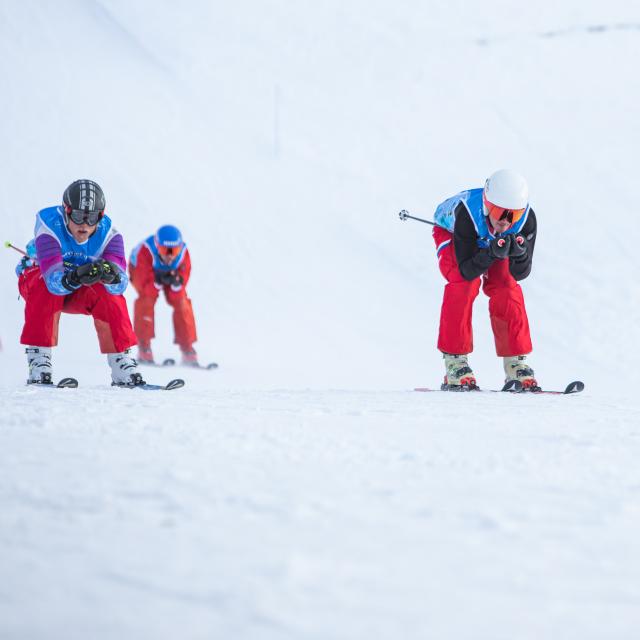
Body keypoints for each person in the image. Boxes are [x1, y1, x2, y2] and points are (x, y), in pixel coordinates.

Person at [17, 179, 144, 386]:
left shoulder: (110, 235)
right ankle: (39, 362)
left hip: (76, 291)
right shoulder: (49, 225)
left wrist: (110, 275)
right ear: (66, 211)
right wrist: (75, 276)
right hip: (42, 283)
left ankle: (121, 361)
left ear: (100, 217)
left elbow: (120, 285)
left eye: (92, 217)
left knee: (107, 292)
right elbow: (52, 283)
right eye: (77, 216)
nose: (84, 224)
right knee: (43, 284)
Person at [432, 169, 538, 390]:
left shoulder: (526, 221)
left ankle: (515, 364)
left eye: (514, 215)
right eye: (500, 213)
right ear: (487, 205)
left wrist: (520, 254)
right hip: (453, 234)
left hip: (489, 245)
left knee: (506, 285)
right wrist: (490, 253)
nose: (506, 222)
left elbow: (521, 273)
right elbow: (466, 270)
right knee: (463, 285)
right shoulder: (467, 214)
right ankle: (455, 361)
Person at [128, 225, 199, 366]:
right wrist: (157, 281)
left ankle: (187, 348)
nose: (170, 255)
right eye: (165, 250)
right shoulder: (145, 252)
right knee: (145, 301)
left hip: (166, 274)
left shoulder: (184, 255)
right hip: (143, 272)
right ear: (157, 246)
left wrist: (176, 283)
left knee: (182, 302)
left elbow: (181, 285)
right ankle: (144, 347)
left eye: (175, 250)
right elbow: (142, 286)